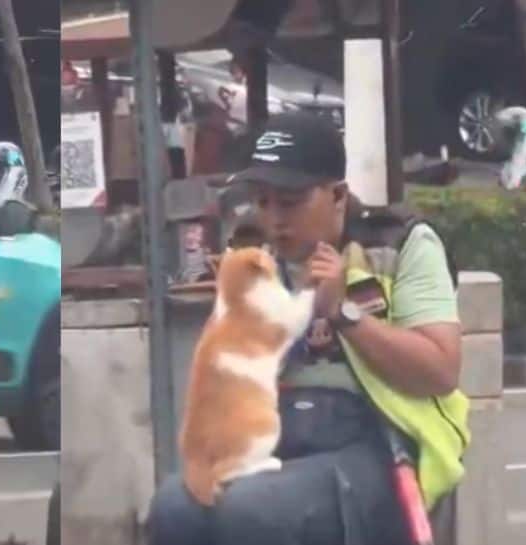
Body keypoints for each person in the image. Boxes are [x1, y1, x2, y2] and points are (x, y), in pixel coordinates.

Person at [146, 112, 470, 545]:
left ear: (337, 195)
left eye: (290, 202)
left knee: (254, 512)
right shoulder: (257, 262)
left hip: (378, 441)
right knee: (173, 508)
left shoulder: (400, 245)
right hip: (275, 432)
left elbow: (441, 370)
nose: (275, 220)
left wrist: (343, 313)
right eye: (262, 202)